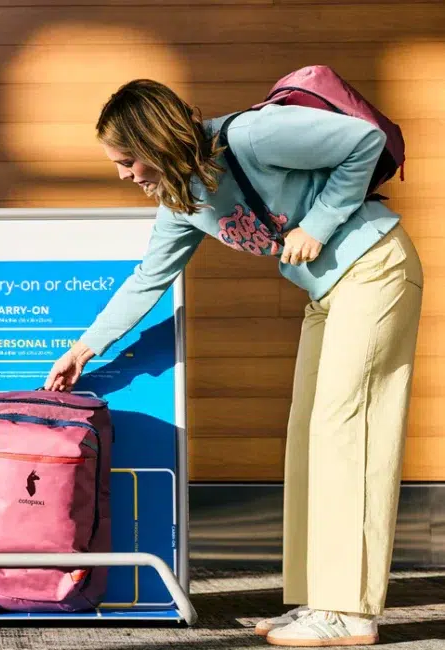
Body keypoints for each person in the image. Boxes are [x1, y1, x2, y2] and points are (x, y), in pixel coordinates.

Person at [43, 79, 423, 646]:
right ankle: (318, 598)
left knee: (348, 434)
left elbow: (362, 141)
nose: (124, 174)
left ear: (156, 139)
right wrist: (82, 349)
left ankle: (350, 611)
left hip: (375, 269)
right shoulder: (184, 200)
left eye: (127, 160)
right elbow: (149, 278)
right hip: (327, 293)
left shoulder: (249, 136)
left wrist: (316, 226)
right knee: (308, 439)